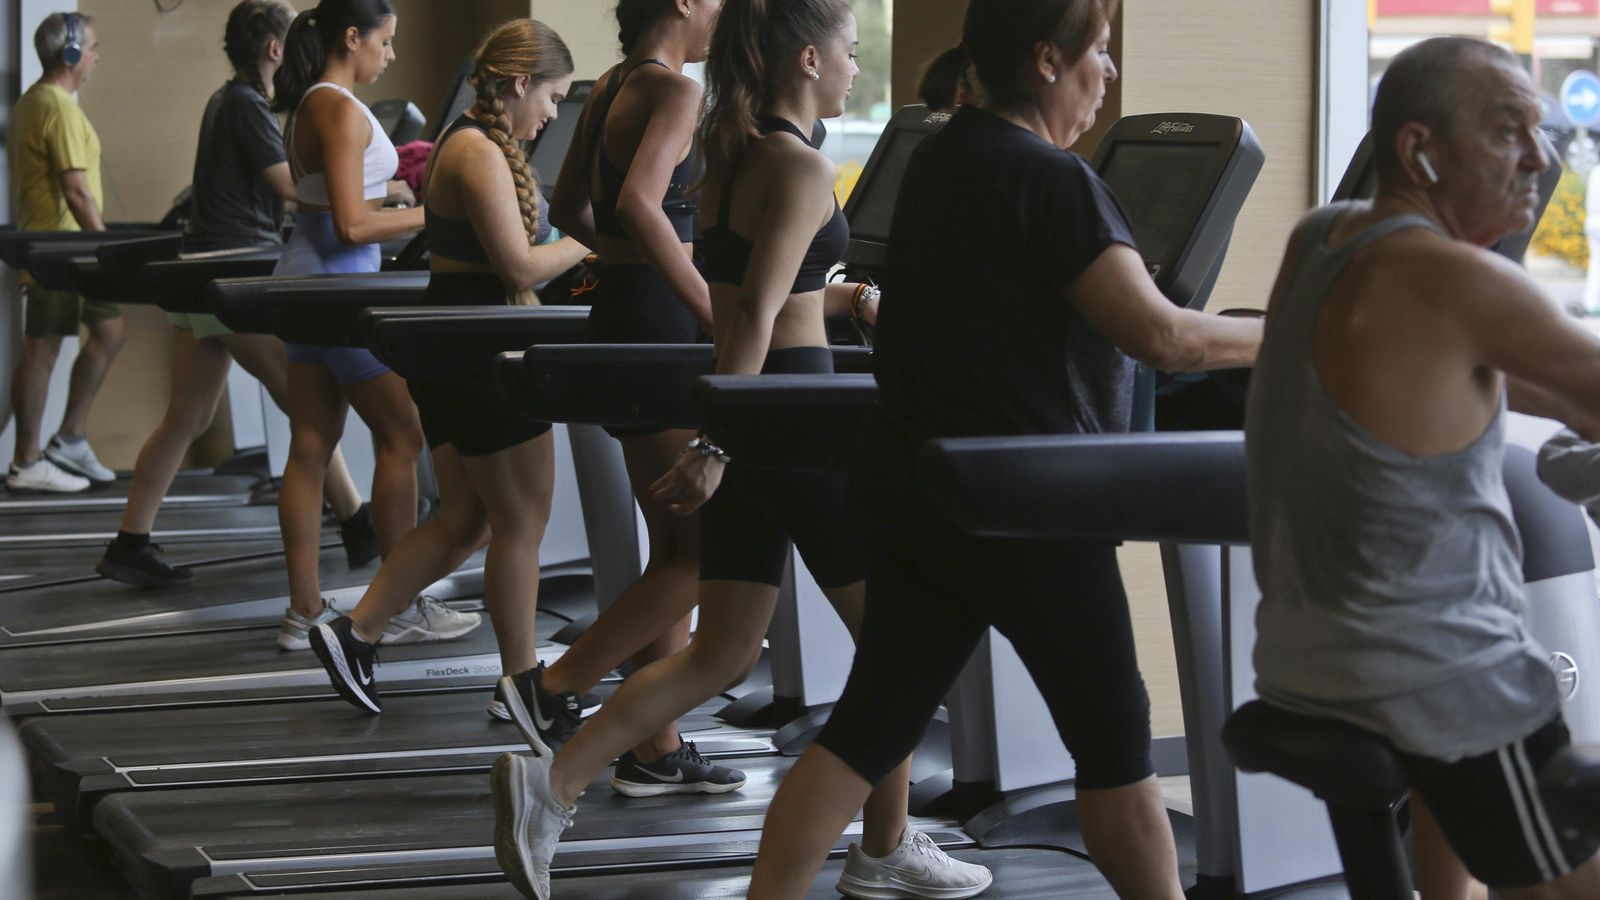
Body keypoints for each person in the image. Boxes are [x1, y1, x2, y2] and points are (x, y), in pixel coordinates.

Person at [745, 1, 1263, 897]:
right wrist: (1289, 333)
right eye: (1097, 53)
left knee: (868, 729)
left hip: (919, 487)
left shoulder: (946, 154)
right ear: (1047, 61)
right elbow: (1163, 339)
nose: (1108, 75)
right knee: (1114, 745)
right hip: (1029, 508)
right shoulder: (1051, 180)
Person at [490, 5, 991, 900]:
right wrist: (725, 439)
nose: (851, 67)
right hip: (790, 414)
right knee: (894, 643)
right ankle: (884, 849)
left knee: (720, 650)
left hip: (756, 403)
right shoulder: (797, 165)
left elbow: (768, 293)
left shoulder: (733, 155)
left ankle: (552, 779)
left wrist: (839, 310)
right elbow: (757, 313)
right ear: (808, 56)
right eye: (846, 50)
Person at [1248, 36, 1600, 900]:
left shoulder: (1322, 238)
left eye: (1542, 131)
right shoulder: (1456, 278)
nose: (1541, 158)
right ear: (1419, 151)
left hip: (1306, 657)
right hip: (1438, 676)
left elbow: (1458, 375)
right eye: (1508, 131)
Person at [310, 18, 590, 711]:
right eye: (551, 97)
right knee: (522, 521)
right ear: (519, 83)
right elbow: (521, 264)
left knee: (468, 519)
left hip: (458, 347)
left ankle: (357, 632)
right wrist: (593, 242)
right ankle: (522, 686)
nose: (553, 114)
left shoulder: (472, 144)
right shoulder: (475, 153)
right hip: (480, 352)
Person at [499, 0, 743, 790]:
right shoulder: (677, 91)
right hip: (664, 327)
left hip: (622, 317)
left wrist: (622, 265)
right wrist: (709, 303)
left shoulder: (608, 86)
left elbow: (572, 204)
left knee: (672, 547)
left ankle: (654, 748)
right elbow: (639, 202)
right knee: (705, 553)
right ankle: (553, 687)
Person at [93, 0, 379, 605]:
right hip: (231, 278)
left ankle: (130, 541)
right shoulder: (250, 107)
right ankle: (359, 523)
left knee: (187, 417)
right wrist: (375, 188)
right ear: (275, 50)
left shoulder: (228, 99)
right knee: (308, 415)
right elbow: (291, 190)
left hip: (202, 279)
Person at [270, 1, 467, 646]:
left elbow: (336, 203)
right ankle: (400, 604)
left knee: (310, 444)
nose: (389, 54)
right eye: (385, 42)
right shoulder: (334, 105)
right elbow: (352, 226)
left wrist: (399, 195)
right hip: (335, 284)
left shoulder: (313, 103)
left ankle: (303, 611)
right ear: (352, 38)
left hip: (309, 280)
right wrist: (434, 212)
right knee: (403, 434)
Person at [5, 11, 120, 494]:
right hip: (63, 250)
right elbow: (76, 192)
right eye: (91, 47)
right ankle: (28, 460)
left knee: (110, 332)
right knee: (43, 348)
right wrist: (110, 252)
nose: (95, 56)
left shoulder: (36, 102)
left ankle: (70, 438)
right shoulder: (57, 107)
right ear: (70, 54)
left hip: (71, 250)